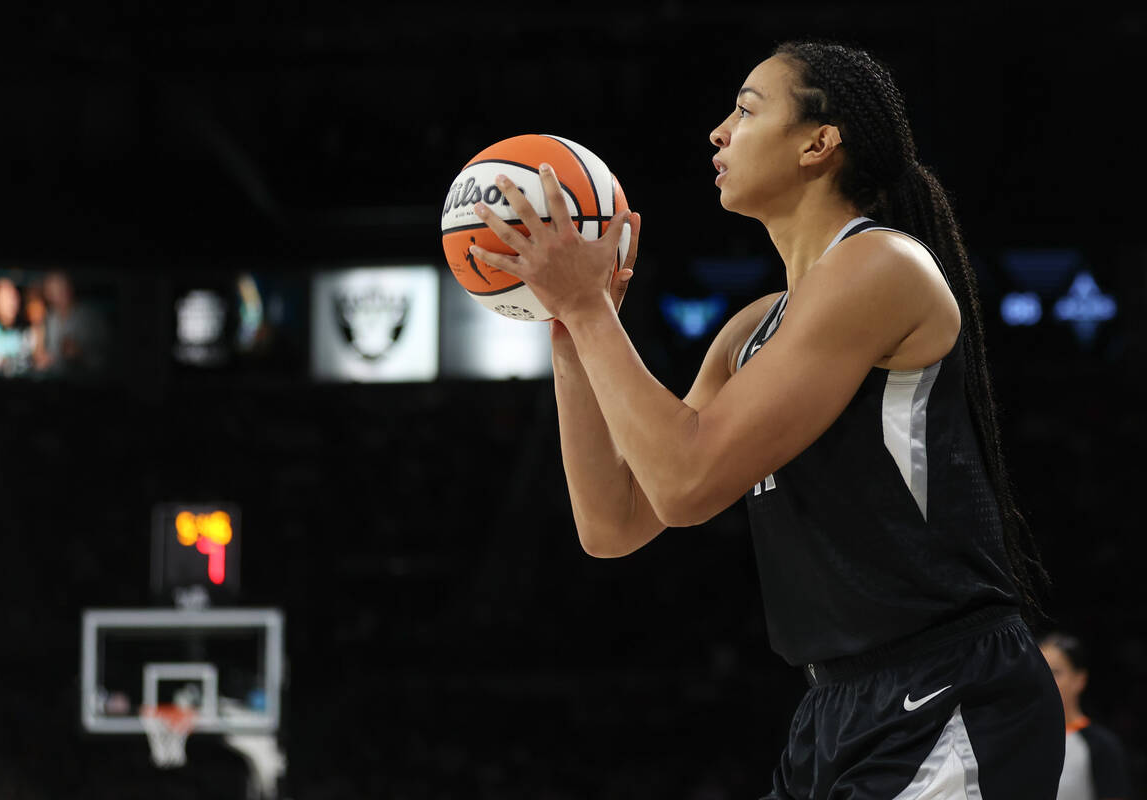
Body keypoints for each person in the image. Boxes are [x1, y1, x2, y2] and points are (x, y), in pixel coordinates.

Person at [468, 40, 1064, 798]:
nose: (718, 132)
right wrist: (569, 327)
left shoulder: (883, 267)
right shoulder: (750, 329)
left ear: (820, 143)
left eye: (746, 110)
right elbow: (613, 522)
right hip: (833, 709)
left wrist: (589, 311)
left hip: (944, 693)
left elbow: (686, 481)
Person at [1040, 632, 1131, 800]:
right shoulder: (1020, 740)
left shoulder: (1100, 745)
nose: (1044, 680)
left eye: (1055, 672)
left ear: (1079, 679)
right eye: (1039, 671)